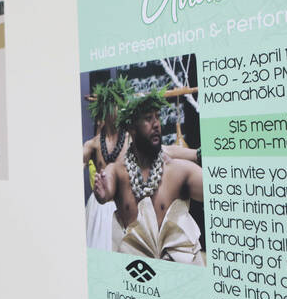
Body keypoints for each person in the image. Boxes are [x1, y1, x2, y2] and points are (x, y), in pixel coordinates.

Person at [93, 88, 204, 265]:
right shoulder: (118, 171)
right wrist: (103, 192)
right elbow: (109, 181)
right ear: (131, 128)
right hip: (138, 272)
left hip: (180, 268)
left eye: (157, 117)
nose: (156, 124)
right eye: (148, 118)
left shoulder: (176, 170)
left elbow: (214, 188)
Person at [83, 77, 134, 250]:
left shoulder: (131, 140)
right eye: (114, 104)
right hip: (99, 209)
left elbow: (163, 151)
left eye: (121, 103)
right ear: (105, 108)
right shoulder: (93, 144)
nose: (118, 108)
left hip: (124, 204)